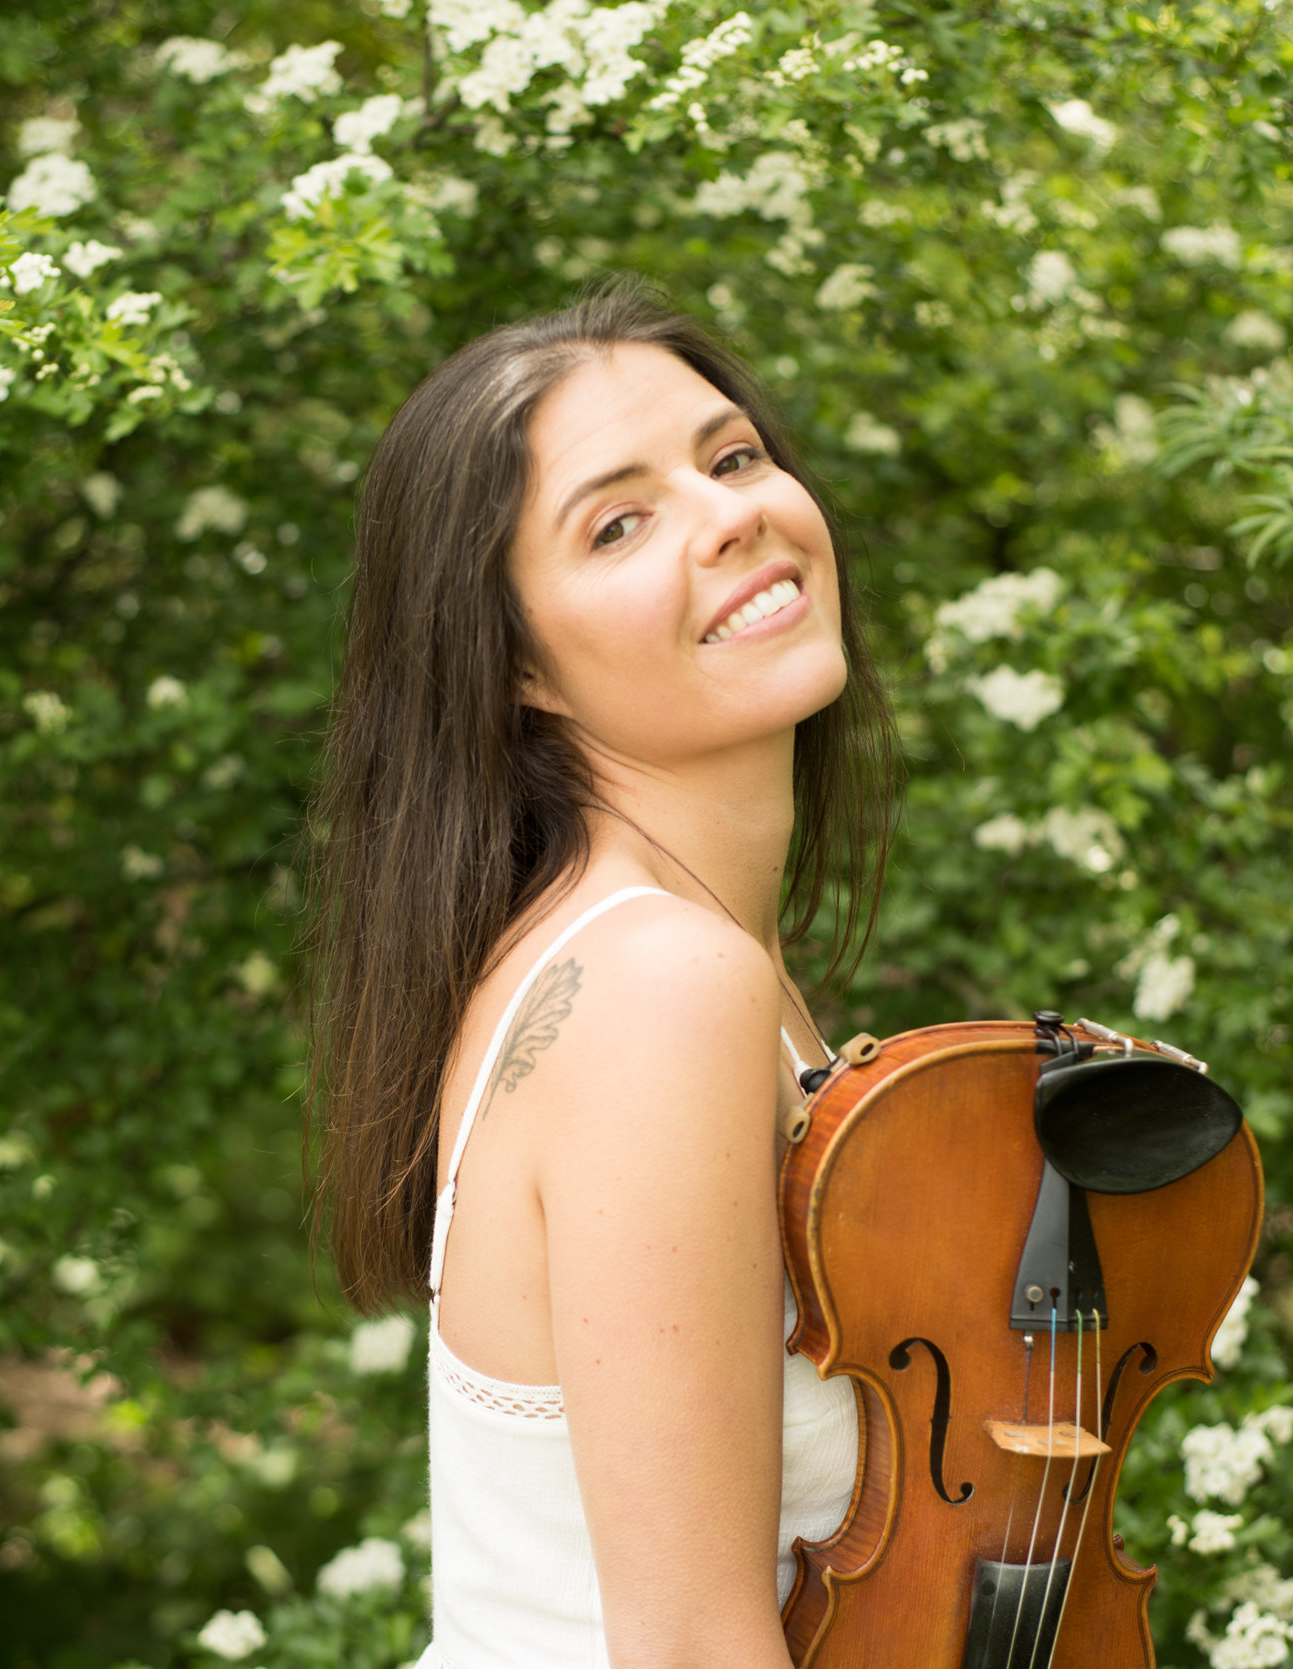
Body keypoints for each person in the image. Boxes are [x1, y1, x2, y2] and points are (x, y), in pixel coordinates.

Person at [309, 282, 898, 1669]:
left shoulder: (648, 945)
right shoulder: (658, 983)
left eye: (734, 456)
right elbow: (692, 1648)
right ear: (518, 665)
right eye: (619, 522)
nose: (729, 513)